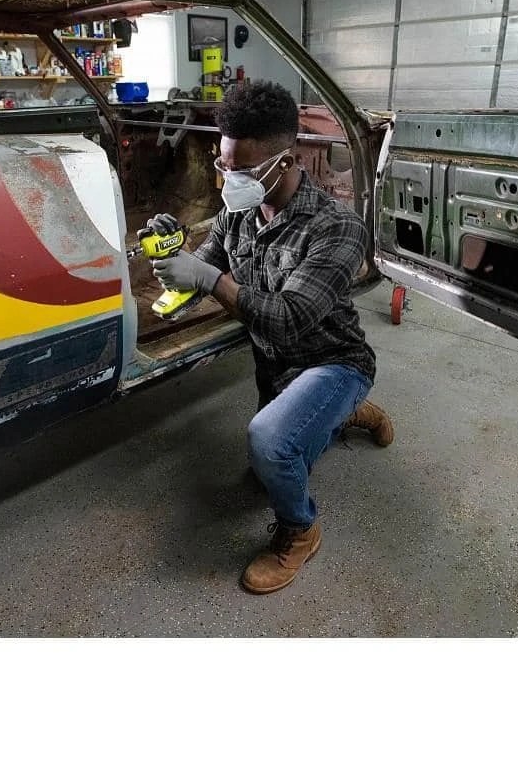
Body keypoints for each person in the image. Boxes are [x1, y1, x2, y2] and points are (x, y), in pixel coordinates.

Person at [140, 80, 394, 595]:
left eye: (243, 170)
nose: (229, 179)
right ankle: (342, 412)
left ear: (287, 160)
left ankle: (300, 531)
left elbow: (287, 318)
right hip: (277, 371)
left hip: (332, 359)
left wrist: (208, 278)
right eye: (224, 164)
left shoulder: (336, 228)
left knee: (270, 444)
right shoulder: (237, 213)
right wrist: (171, 252)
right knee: (267, 469)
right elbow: (202, 268)